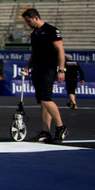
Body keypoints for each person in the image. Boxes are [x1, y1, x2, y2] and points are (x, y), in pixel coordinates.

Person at [21, 8, 67, 143]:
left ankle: (60, 127)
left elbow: (60, 50)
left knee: (46, 99)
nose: (28, 24)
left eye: (29, 21)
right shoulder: (34, 34)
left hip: (49, 68)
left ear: (36, 18)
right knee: (42, 101)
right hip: (38, 68)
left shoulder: (52, 30)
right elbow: (34, 53)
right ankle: (45, 131)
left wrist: (61, 70)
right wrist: (28, 66)